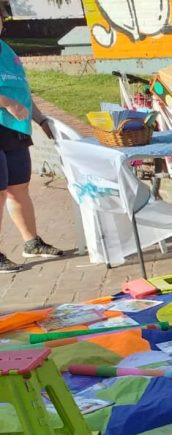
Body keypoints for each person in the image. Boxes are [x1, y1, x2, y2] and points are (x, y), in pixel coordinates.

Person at [0, 17, 65, 273]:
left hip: (15, 129)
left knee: (18, 188)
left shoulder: (7, 50)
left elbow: (22, 91)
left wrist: (40, 119)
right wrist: (6, 103)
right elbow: (11, 99)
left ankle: (32, 242)